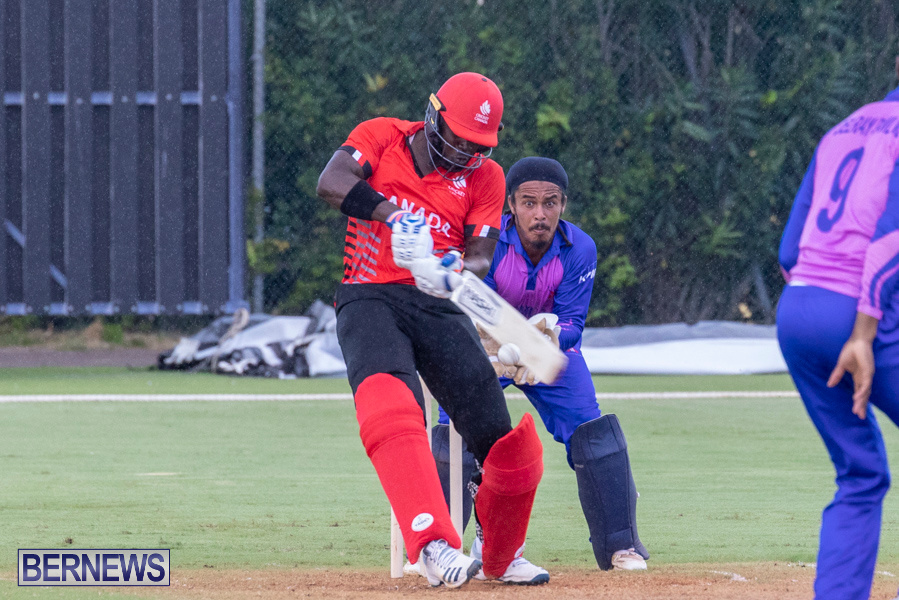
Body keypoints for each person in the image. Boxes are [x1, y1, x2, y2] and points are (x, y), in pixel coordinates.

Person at [315, 72, 549, 588]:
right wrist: (394, 217)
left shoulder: (487, 177)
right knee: (391, 407)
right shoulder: (382, 135)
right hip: (368, 294)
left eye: (479, 145)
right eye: (460, 138)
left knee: (501, 438)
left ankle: (501, 552)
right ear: (433, 116)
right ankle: (433, 546)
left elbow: (482, 253)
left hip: (437, 302)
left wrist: (452, 269)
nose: (467, 152)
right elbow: (331, 182)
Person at [431, 157, 649, 572]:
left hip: (547, 350)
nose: (540, 214)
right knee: (453, 433)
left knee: (592, 433)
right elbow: (478, 308)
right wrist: (504, 344)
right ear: (511, 205)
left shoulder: (580, 248)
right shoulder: (488, 241)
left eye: (550, 203)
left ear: (563, 205)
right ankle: (437, 546)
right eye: (529, 203)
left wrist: (548, 336)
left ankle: (622, 546)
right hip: (486, 348)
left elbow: (573, 323)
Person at [777, 58, 899, 600]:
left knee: (860, 473)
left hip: (799, 311)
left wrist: (824, 312)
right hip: (859, 314)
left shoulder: (844, 127)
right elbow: (891, 237)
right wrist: (863, 333)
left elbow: (789, 249)